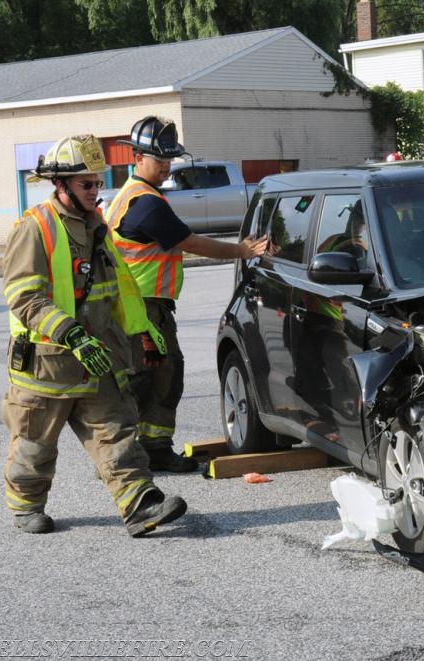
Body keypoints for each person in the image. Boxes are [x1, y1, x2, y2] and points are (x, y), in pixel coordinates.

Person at [1, 134, 187, 535]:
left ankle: (140, 505)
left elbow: (119, 286)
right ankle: (25, 506)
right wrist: (71, 334)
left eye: (98, 182)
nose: (95, 191)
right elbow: (25, 297)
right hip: (45, 366)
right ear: (61, 184)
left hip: (96, 358)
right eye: (87, 184)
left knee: (117, 432)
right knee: (34, 444)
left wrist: (143, 331)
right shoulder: (35, 228)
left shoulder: (96, 228)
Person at [105, 116, 268, 471]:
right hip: (145, 308)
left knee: (148, 377)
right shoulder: (146, 203)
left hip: (136, 305)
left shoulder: (129, 195)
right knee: (161, 376)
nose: (166, 167)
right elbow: (190, 242)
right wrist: (243, 251)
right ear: (137, 158)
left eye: (168, 160)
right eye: (159, 160)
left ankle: (138, 450)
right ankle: (146, 452)